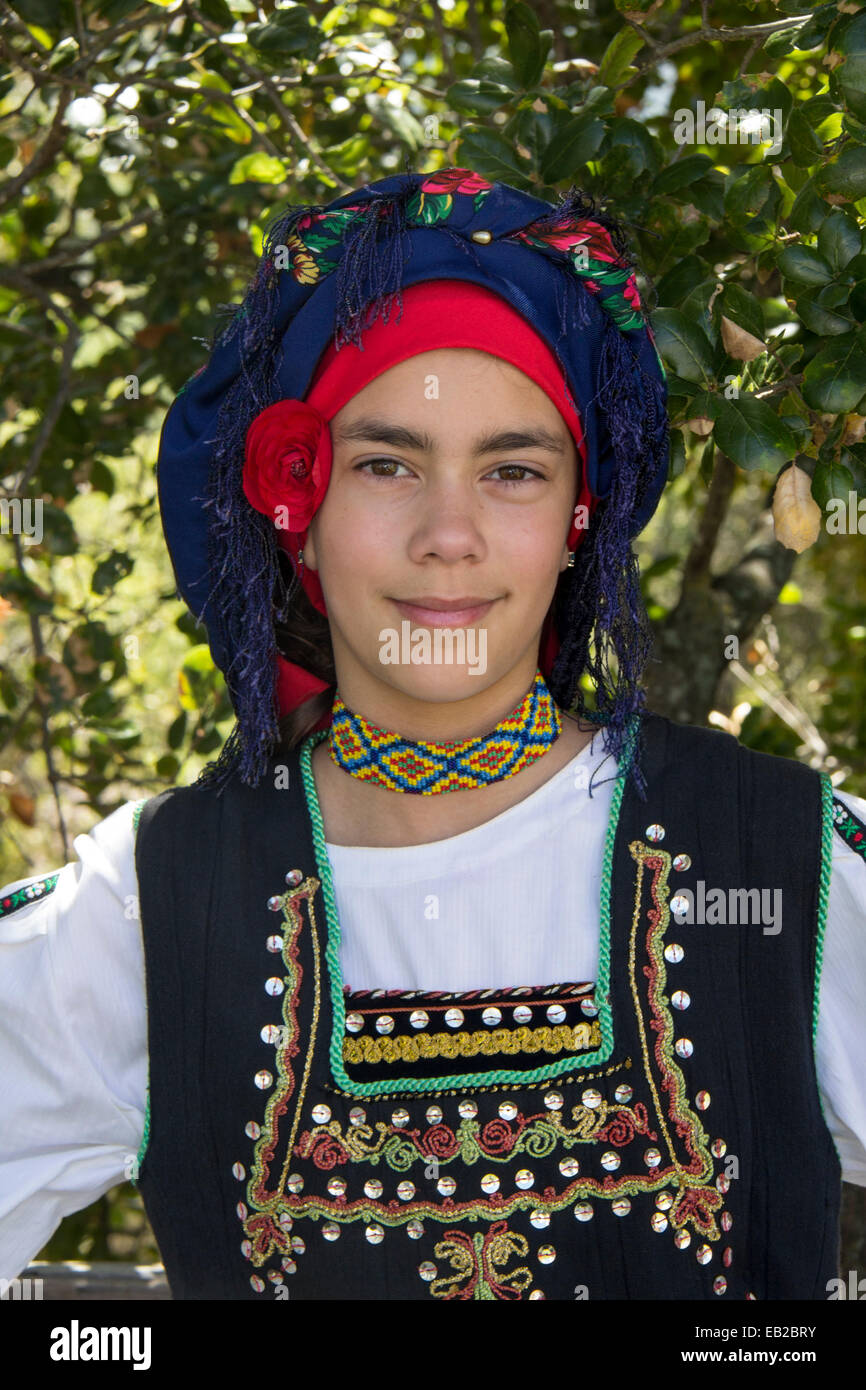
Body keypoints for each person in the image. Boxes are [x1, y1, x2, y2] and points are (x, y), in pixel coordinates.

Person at [1, 167, 864, 1302]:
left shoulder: (783, 863)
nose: (447, 534)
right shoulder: (151, 907)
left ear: (575, 521)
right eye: (385, 464)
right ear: (294, 512)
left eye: (511, 470)